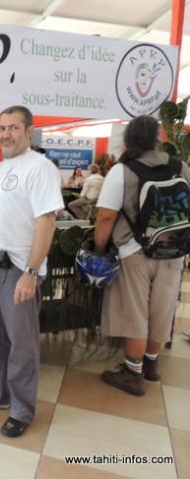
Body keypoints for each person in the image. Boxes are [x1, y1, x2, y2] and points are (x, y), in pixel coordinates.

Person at [0, 105, 63, 438]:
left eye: (14, 128)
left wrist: (31, 272)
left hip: (19, 268)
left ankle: (21, 410)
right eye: (2, 128)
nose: (6, 135)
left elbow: (46, 222)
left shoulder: (41, 169)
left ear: (29, 131)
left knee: (22, 342)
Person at [94, 115, 188, 396]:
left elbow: (106, 216)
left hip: (134, 251)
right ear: (157, 138)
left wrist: (99, 249)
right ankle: (151, 365)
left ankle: (132, 374)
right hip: (173, 251)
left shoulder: (122, 171)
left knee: (135, 311)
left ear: (128, 139)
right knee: (162, 309)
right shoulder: (179, 166)